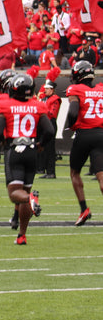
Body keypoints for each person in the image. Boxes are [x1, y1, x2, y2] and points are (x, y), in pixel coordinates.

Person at [0, 74, 53, 245]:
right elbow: (49, 131)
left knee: (15, 195)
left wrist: (4, 142)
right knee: (24, 192)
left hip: (15, 150)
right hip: (32, 151)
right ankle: (22, 235)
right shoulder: (38, 106)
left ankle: (30, 199)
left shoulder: (4, 105)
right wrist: (41, 144)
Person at [65, 60, 103, 226]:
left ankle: (84, 209)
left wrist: (71, 125)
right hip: (101, 134)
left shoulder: (75, 89)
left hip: (84, 134)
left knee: (75, 173)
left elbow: (73, 111)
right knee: (101, 176)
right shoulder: (101, 89)